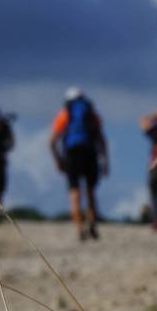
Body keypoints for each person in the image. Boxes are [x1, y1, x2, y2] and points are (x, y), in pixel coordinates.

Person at [50, 87, 109, 241]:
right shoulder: (91, 114)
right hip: (90, 154)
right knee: (90, 192)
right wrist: (105, 161)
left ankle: (79, 229)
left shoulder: (65, 114)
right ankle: (93, 224)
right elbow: (102, 140)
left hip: (72, 155)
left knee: (75, 194)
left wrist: (58, 160)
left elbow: (52, 141)